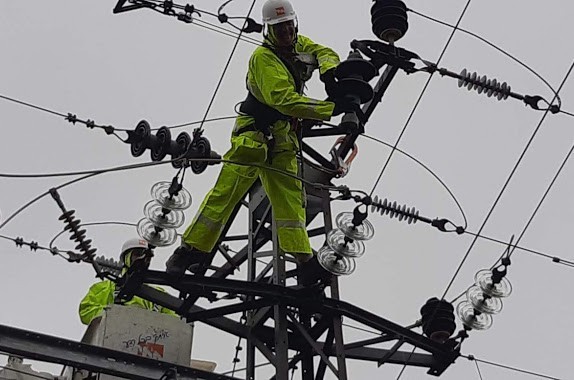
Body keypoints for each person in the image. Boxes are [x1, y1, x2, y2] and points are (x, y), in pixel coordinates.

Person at [166, 0, 348, 277]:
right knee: (225, 195)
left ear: (294, 23)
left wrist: (329, 70)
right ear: (268, 30)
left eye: (288, 25)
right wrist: (330, 109)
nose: (286, 31)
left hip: (282, 141)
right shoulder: (263, 59)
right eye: (279, 28)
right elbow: (283, 100)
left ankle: (304, 262)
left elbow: (324, 52)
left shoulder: (299, 44)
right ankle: (188, 252)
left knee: (290, 202)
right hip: (253, 137)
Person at [79, 238, 177, 325]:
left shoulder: (159, 295)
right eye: (138, 254)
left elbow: (175, 323)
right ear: (127, 258)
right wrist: (113, 314)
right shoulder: (105, 288)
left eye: (147, 257)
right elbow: (86, 311)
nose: (143, 260)